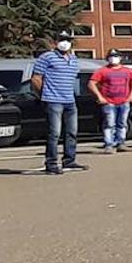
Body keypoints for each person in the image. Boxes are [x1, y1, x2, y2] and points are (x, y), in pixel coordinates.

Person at [32, 31, 88, 174]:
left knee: (72, 132)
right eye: (62, 39)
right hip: (53, 100)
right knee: (54, 133)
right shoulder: (46, 57)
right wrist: (44, 95)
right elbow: (36, 78)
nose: (65, 42)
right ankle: (51, 163)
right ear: (55, 42)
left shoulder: (74, 59)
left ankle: (69, 160)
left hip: (70, 100)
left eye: (68, 40)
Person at [88, 49, 132, 154]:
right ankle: (109, 144)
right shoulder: (102, 71)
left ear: (120, 58)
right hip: (109, 102)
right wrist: (100, 97)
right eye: (111, 56)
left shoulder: (127, 71)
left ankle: (121, 143)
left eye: (116, 56)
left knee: (122, 123)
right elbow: (91, 83)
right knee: (109, 124)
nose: (113, 58)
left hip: (124, 102)